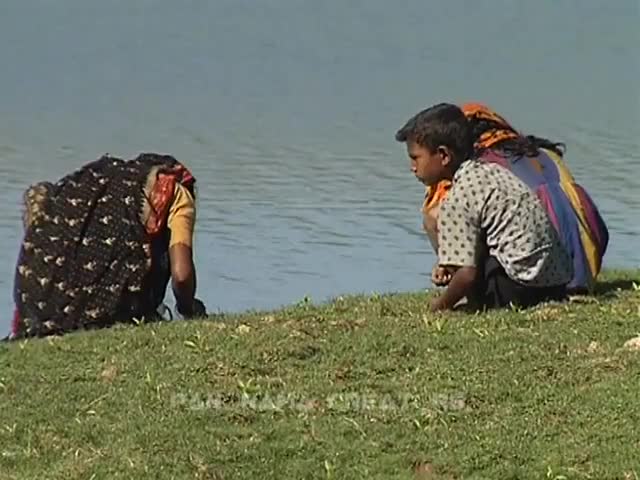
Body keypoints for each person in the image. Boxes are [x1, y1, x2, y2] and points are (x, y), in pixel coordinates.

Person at [395, 103, 574, 311]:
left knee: (462, 261)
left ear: (443, 155)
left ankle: (477, 303)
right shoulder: (491, 171)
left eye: (415, 158)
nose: (412, 167)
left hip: (519, 289)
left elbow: (467, 274)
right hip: (555, 284)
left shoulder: (457, 199)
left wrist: (440, 306)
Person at [11, 152, 206, 339]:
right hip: (116, 308)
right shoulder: (176, 190)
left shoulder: (94, 187)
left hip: (52, 309)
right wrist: (189, 308)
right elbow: (181, 276)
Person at [421, 102, 609, 294]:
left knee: (436, 214)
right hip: (580, 270)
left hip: (529, 277)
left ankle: (464, 290)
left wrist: (446, 261)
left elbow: (446, 219)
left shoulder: (479, 165)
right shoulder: (544, 153)